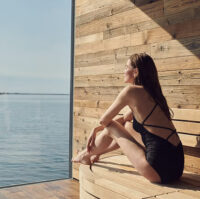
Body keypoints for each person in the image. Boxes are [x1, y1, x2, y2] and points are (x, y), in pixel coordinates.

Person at [72, 53, 184, 184]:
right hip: (177, 165)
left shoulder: (131, 91)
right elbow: (124, 120)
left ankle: (85, 155)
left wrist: (97, 129)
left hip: (158, 170)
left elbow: (105, 121)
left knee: (111, 127)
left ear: (135, 72)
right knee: (126, 126)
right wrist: (97, 130)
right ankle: (92, 154)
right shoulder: (153, 94)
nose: (123, 70)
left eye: (126, 67)